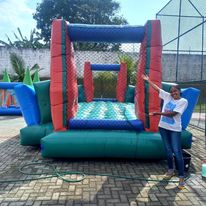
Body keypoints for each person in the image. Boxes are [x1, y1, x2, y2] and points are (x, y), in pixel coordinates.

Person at [142, 73, 188, 190]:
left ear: (179, 91)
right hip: (163, 127)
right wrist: (148, 80)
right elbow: (157, 89)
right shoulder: (168, 96)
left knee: (177, 152)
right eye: (171, 91)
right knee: (167, 150)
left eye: (175, 91)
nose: (173, 93)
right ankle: (171, 169)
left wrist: (158, 113)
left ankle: (181, 177)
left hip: (174, 130)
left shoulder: (183, 101)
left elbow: (173, 114)